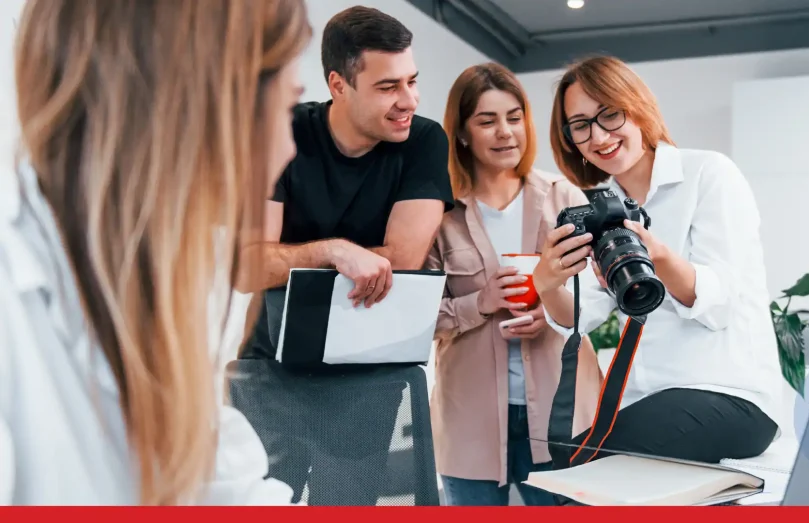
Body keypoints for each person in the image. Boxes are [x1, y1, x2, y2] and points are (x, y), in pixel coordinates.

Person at [0, 0, 311, 505]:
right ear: (212, 106)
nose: (289, 149)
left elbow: (221, 487)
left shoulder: (153, 279)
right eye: (287, 108)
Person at [233, 6, 454, 505]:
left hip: (366, 375)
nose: (409, 100)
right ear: (338, 83)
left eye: (412, 82)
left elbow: (403, 257)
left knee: (347, 505)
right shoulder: (283, 131)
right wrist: (334, 252)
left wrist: (289, 259)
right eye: (388, 87)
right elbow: (246, 267)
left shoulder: (422, 140)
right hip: (271, 369)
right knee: (263, 503)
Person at [532, 55, 784, 466]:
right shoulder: (602, 210)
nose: (598, 137)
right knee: (562, 466)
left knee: (584, 472)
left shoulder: (708, 173)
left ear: (637, 108)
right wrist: (547, 284)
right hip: (648, 400)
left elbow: (719, 305)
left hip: (733, 397)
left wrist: (658, 254)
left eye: (609, 115)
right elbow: (581, 318)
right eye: (580, 125)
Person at [426, 63, 603, 506]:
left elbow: (598, 298)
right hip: (471, 422)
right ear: (463, 133)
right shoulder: (438, 214)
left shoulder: (564, 197)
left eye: (514, 117)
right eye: (487, 121)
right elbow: (415, 317)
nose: (506, 132)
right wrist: (480, 302)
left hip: (564, 416)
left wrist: (550, 310)